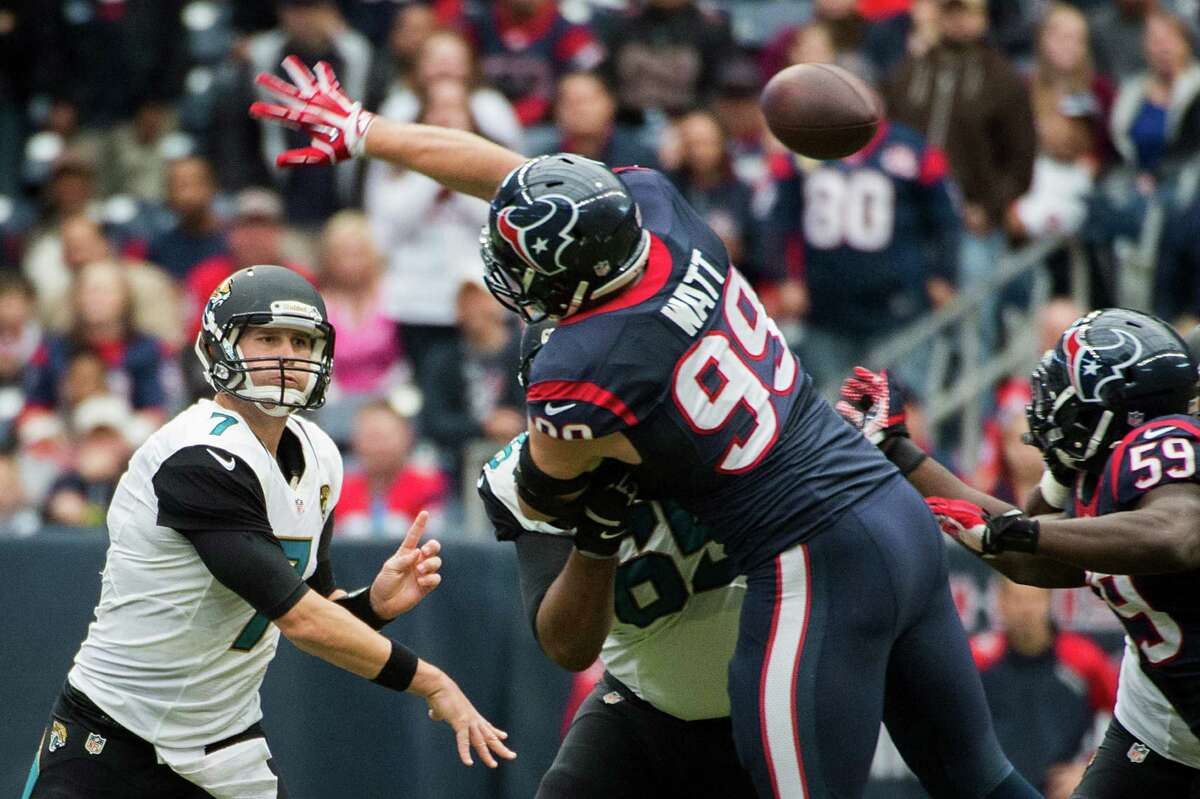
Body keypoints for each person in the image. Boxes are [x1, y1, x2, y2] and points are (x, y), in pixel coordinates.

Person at [251, 56, 1038, 799]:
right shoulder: (657, 208)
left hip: (814, 560)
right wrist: (367, 131)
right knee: (981, 777)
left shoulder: (582, 367)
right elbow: (511, 177)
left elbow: (548, 483)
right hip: (885, 505)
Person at [20, 265, 514, 799]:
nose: (288, 356)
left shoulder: (321, 454)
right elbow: (302, 619)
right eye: (267, 338)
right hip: (115, 735)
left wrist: (373, 606)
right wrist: (430, 681)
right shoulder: (197, 456)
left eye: (301, 342)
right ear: (220, 346)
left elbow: (309, 605)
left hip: (225, 748)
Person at [837, 307, 1200, 798]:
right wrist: (901, 453)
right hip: (1161, 724)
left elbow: (1175, 536)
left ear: (1113, 406)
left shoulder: (1164, 450)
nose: (1047, 402)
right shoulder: (1110, 465)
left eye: (1063, 387)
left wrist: (1025, 533)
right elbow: (1030, 552)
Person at [478, 423, 755, 798]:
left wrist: (849, 470)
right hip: (644, 701)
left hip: (769, 705)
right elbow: (569, 647)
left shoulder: (737, 419)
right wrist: (597, 538)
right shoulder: (529, 470)